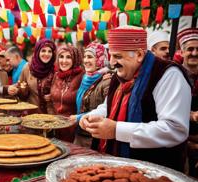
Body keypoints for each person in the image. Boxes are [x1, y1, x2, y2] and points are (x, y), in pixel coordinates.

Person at [79, 26, 191, 172]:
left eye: (118, 56)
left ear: (138, 54)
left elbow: (175, 129)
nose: (112, 63)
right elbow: (108, 106)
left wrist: (116, 130)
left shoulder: (168, 75)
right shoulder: (118, 75)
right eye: (111, 55)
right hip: (117, 167)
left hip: (154, 174)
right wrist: (92, 117)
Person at [70, 42, 111, 147]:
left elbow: (108, 111)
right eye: (85, 57)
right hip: (80, 133)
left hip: (93, 137)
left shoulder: (107, 81)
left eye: (90, 57)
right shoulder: (85, 77)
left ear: (100, 59)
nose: (86, 60)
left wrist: (79, 118)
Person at [50, 45, 84, 142]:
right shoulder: (56, 75)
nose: (64, 61)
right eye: (61, 56)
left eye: (68, 57)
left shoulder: (82, 76)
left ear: (75, 59)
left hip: (73, 129)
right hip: (55, 126)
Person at [177, 28, 198, 176]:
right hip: (179, 144)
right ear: (182, 52)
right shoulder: (173, 75)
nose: (195, 53)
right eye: (190, 49)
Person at [17, 39, 56, 113]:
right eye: (43, 51)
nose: (46, 54)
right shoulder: (28, 68)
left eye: (49, 51)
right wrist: (22, 90)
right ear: (38, 52)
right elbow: (20, 88)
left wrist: (53, 96)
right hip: (32, 115)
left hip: (52, 115)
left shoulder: (56, 70)